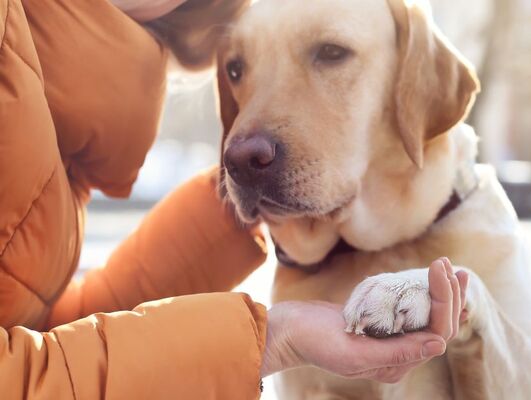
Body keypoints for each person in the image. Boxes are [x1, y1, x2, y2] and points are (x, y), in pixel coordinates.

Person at [0, 0, 467, 398]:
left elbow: (44, 338)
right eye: (239, 70)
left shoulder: (67, 133)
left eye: (330, 53)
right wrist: (269, 342)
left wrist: (219, 220)